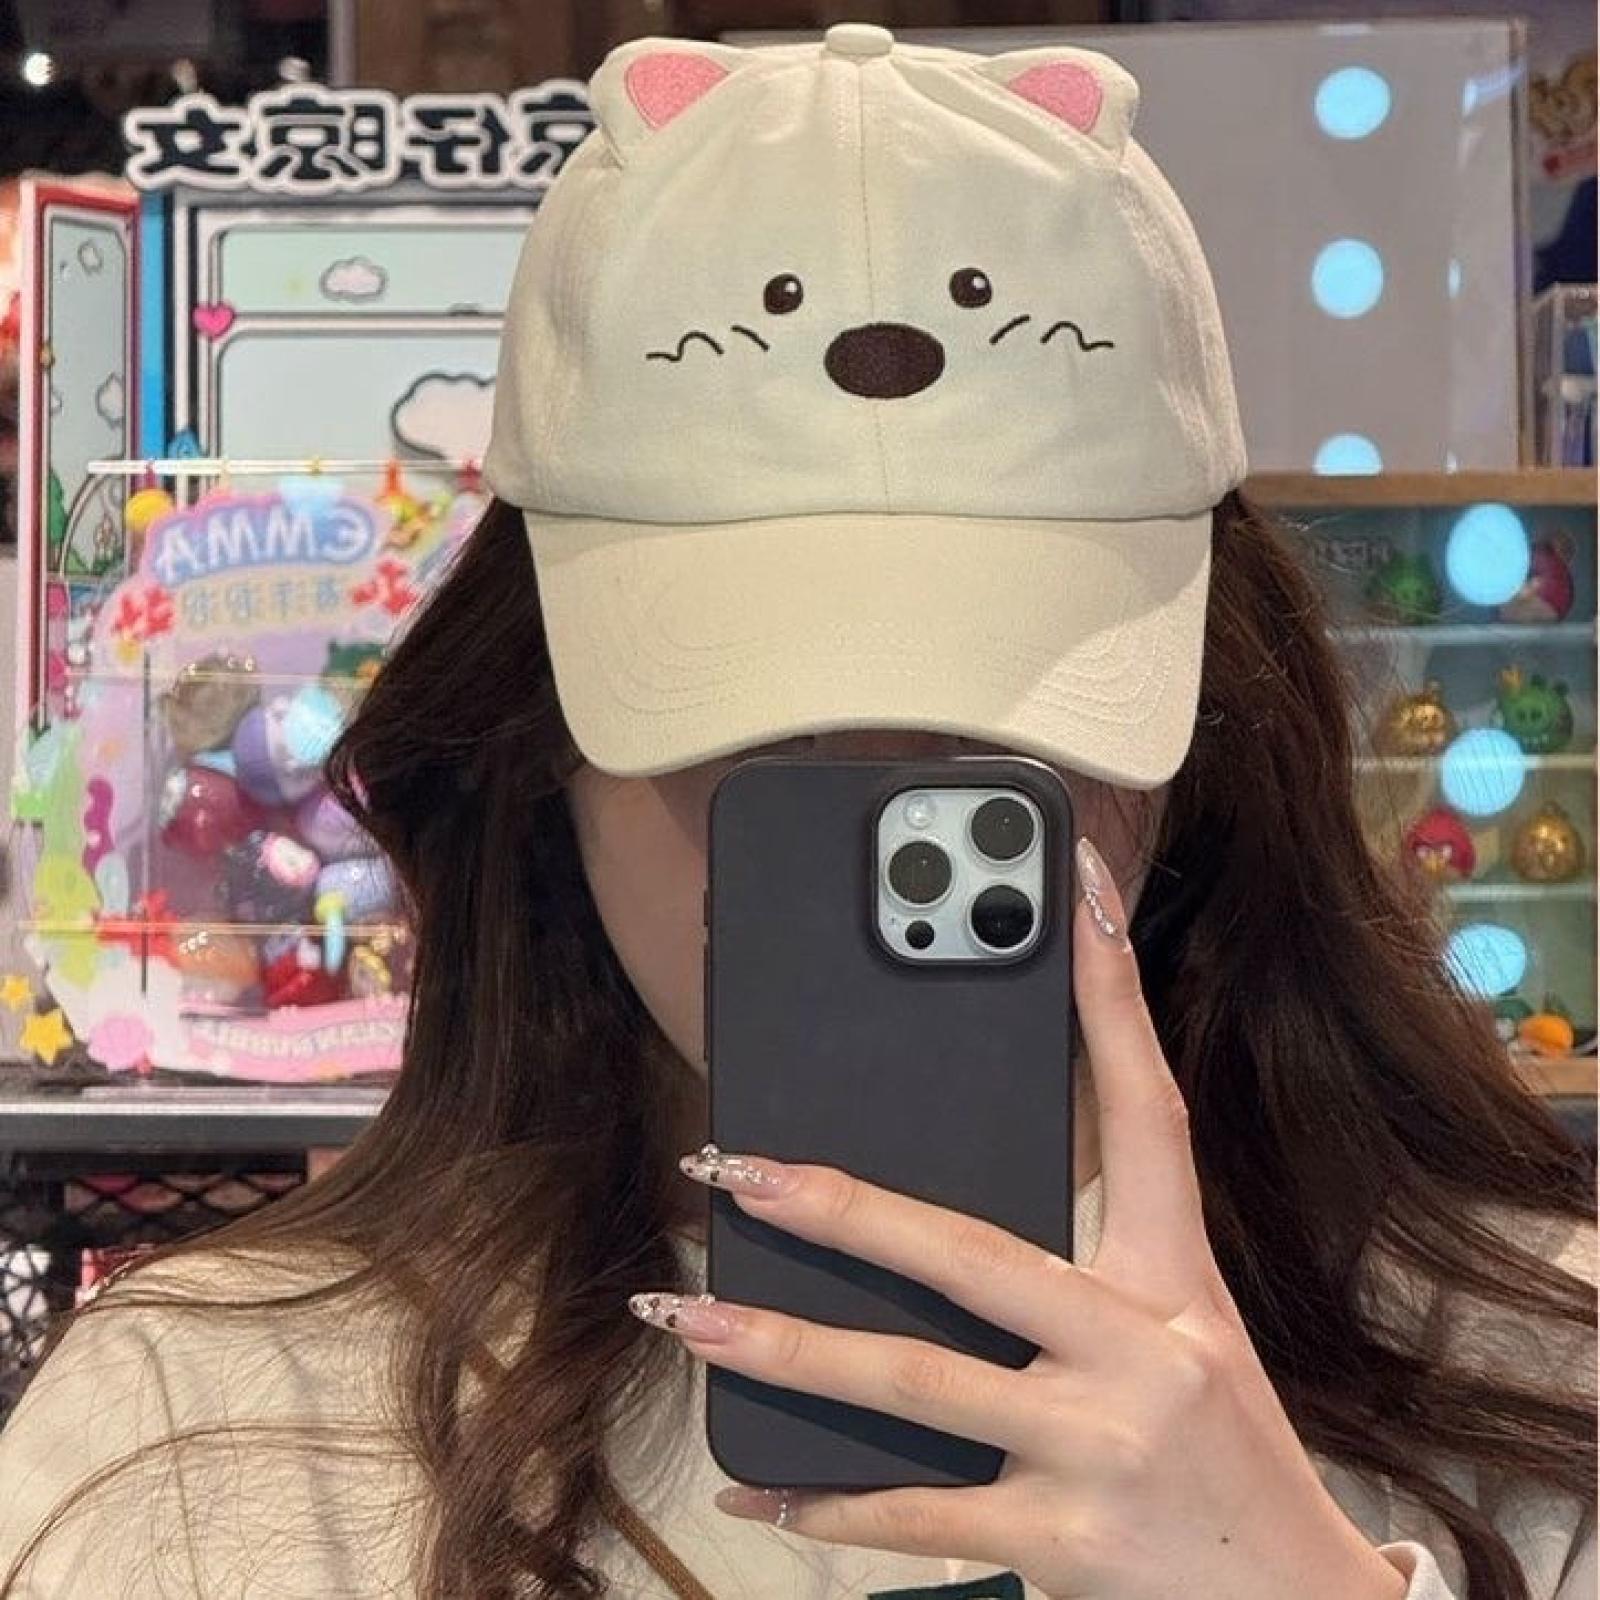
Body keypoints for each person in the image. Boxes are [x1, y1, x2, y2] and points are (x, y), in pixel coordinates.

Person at [0, 25, 1593, 1600]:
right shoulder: (201, 1442)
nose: (882, 792)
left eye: (1000, 726)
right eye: (763, 726)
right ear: (533, 739)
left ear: (1205, 725)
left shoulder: (1542, 1376)